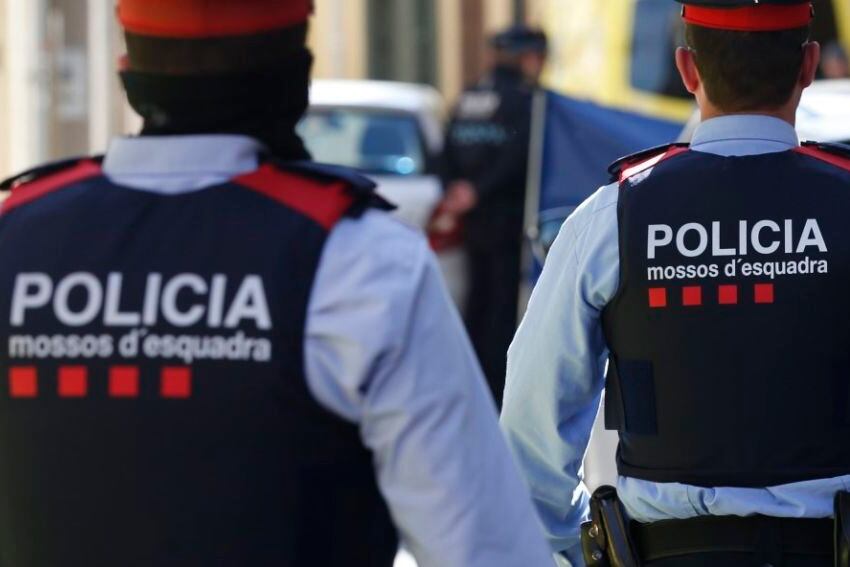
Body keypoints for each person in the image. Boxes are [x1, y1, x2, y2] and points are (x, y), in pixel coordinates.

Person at [0, 2, 555, 566]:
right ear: (295, 73)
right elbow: (485, 549)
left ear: (128, 69)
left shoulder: (15, 233)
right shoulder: (362, 259)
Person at [502, 0, 850, 565]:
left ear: (687, 69)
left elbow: (533, 416)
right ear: (809, 65)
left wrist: (565, 547)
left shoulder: (611, 217)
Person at [442, 25, 548, 406]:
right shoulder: (526, 101)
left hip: (472, 221)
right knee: (502, 309)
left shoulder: (468, 97)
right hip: (506, 219)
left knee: (477, 302)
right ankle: (496, 392)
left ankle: (469, 388)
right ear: (528, 57)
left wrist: (459, 189)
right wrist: (478, 190)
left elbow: (445, 150)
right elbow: (519, 159)